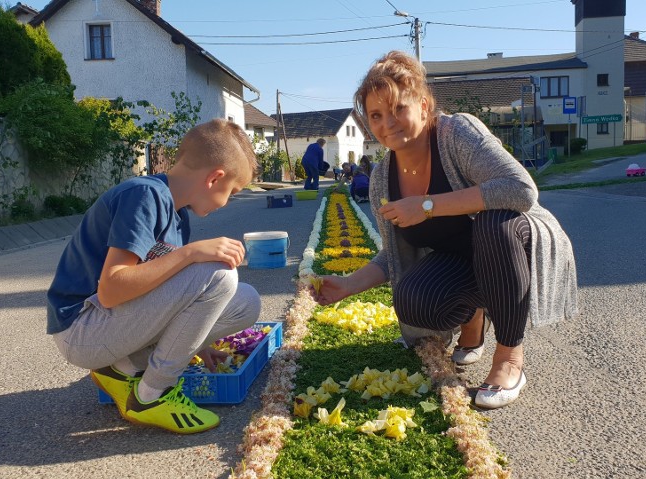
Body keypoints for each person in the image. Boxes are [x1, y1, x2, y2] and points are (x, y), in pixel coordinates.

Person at [311, 51, 578, 409]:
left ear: (423, 105)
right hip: (464, 262)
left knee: (493, 222)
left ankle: (510, 358)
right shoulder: (381, 181)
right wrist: (347, 285)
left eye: (398, 109)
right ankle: (474, 318)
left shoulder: (456, 134)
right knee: (413, 301)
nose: (387, 123)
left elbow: (521, 190)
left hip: (515, 241)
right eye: (376, 115)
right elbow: (394, 252)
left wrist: (426, 205)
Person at [47, 119, 262, 434]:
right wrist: (190, 253)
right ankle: (149, 396)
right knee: (219, 274)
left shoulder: (178, 215)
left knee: (246, 301)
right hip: (82, 331)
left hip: (111, 325)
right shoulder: (144, 196)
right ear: (215, 178)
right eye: (232, 191)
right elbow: (111, 289)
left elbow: (174, 295)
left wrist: (197, 344)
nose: (227, 202)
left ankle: (121, 369)